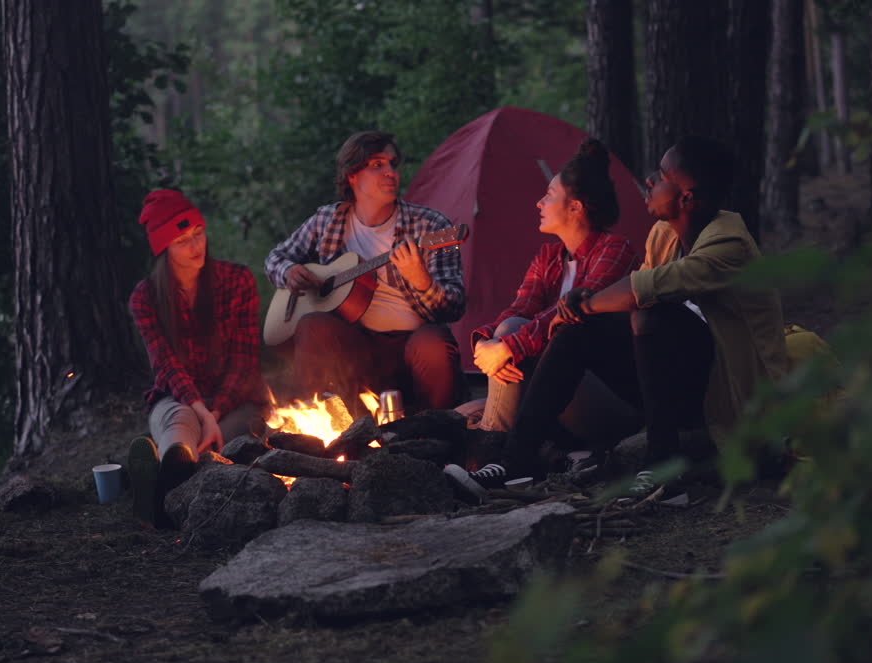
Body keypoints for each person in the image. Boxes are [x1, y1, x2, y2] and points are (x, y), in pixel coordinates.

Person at [471, 136, 788, 496]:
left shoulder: (728, 245)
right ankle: (515, 460)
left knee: (650, 316)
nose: (650, 180)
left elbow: (647, 288)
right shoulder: (663, 234)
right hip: (668, 383)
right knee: (584, 329)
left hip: (728, 393)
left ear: (687, 197)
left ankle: (662, 467)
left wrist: (581, 305)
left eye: (662, 175)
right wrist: (577, 313)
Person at [264, 130, 465, 414]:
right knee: (313, 326)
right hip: (355, 346)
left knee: (434, 342)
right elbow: (275, 258)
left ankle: (437, 434)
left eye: (393, 164)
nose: (391, 173)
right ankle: (334, 431)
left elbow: (455, 305)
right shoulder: (328, 220)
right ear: (352, 175)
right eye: (377, 165)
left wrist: (423, 282)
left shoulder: (431, 226)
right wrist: (289, 272)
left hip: (412, 346)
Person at [470, 138, 640, 434]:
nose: (539, 203)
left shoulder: (615, 251)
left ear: (575, 207)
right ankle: (489, 435)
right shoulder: (549, 257)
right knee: (462, 412)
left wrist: (508, 347)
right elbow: (521, 308)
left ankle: (494, 448)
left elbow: (568, 317)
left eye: (549, 195)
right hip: (550, 392)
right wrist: (484, 344)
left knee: (511, 339)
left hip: (607, 398)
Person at [127, 189, 268, 527]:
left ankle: (164, 485)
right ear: (164, 249)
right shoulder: (145, 297)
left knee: (232, 439)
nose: (196, 246)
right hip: (177, 398)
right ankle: (169, 471)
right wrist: (200, 410)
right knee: (180, 423)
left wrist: (214, 412)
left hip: (236, 402)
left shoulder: (237, 281)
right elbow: (166, 365)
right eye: (182, 240)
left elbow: (244, 362)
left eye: (199, 234)